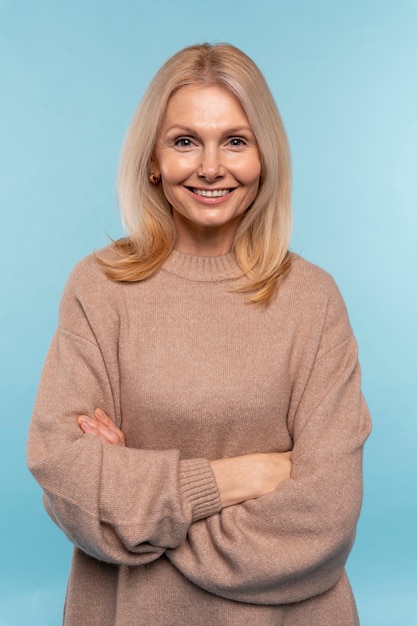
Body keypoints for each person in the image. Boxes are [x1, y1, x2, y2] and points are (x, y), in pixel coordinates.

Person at [27, 43, 371, 625]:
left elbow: (325, 514)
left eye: (236, 141)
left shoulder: (312, 301)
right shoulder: (99, 289)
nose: (211, 166)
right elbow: (64, 476)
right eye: (185, 141)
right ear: (153, 160)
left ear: (265, 157)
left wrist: (136, 504)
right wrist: (230, 478)